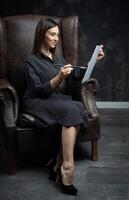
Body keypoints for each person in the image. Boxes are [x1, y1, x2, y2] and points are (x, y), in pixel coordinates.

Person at [22, 18, 104, 195]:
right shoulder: (31, 60)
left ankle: (57, 162)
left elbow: (75, 73)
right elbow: (39, 91)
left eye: (57, 35)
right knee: (70, 108)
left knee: (77, 106)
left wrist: (93, 63)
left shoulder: (57, 57)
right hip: (36, 101)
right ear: (41, 35)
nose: (56, 38)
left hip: (53, 99)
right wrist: (59, 77)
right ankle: (67, 168)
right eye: (52, 34)